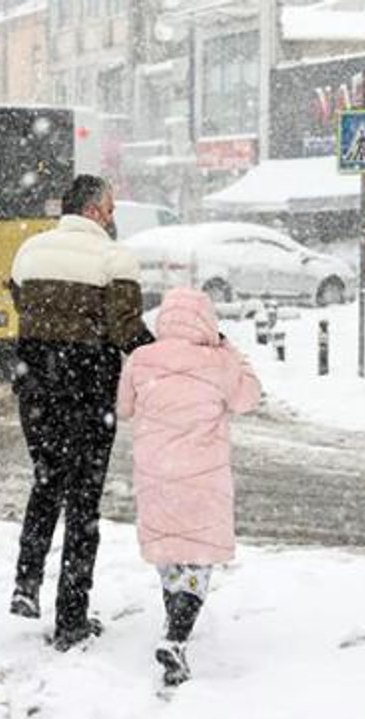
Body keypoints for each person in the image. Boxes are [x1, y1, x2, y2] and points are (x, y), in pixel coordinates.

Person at [7, 174, 155, 651]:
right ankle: (71, 618)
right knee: (84, 501)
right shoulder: (115, 259)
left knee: (47, 478)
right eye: (109, 209)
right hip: (88, 389)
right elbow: (127, 329)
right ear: (93, 211)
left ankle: (26, 583)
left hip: (35, 385)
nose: (113, 218)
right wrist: (169, 356)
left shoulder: (29, 251)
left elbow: (21, 301)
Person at [116, 287, 261, 686]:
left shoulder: (142, 359)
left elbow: (123, 407)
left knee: (169, 551)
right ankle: (176, 636)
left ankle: (172, 619)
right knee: (198, 557)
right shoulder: (218, 362)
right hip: (204, 478)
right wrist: (231, 349)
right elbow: (250, 396)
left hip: (156, 474)